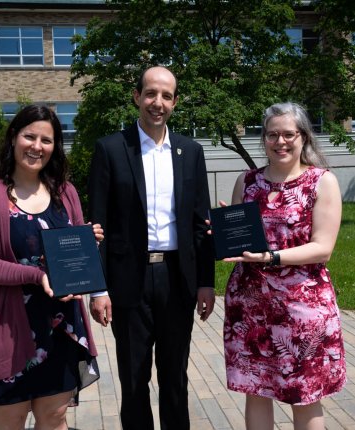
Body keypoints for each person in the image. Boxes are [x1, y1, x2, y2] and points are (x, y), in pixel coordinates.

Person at [88, 65, 216, 430]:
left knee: (175, 378)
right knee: (134, 379)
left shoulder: (190, 151)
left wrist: (206, 281)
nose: (157, 103)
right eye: (150, 94)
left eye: (166, 96)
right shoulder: (111, 149)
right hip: (128, 283)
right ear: (136, 97)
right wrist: (98, 289)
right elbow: (98, 226)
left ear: (175, 102)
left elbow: (200, 224)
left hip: (178, 280)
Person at [0, 104, 101, 429]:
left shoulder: (65, 193)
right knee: (9, 419)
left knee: (55, 417)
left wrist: (87, 241)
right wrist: (38, 276)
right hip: (8, 328)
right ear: (13, 137)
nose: (37, 146)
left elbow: (74, 254)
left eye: (47, 140)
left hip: (61, 326)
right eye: (30, 136)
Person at [220, 102, 346, 430]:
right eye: (272, 134)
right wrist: (222, 230)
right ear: (263, 139)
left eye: (289, 134)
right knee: (256, 390)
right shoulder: (246, 182)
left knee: (303, 394)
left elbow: (323, 248)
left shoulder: (322, 181)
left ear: (303, 137)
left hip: (303, 309)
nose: (281, 142)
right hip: (250, 308)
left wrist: (271, 257)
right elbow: (238, 245)